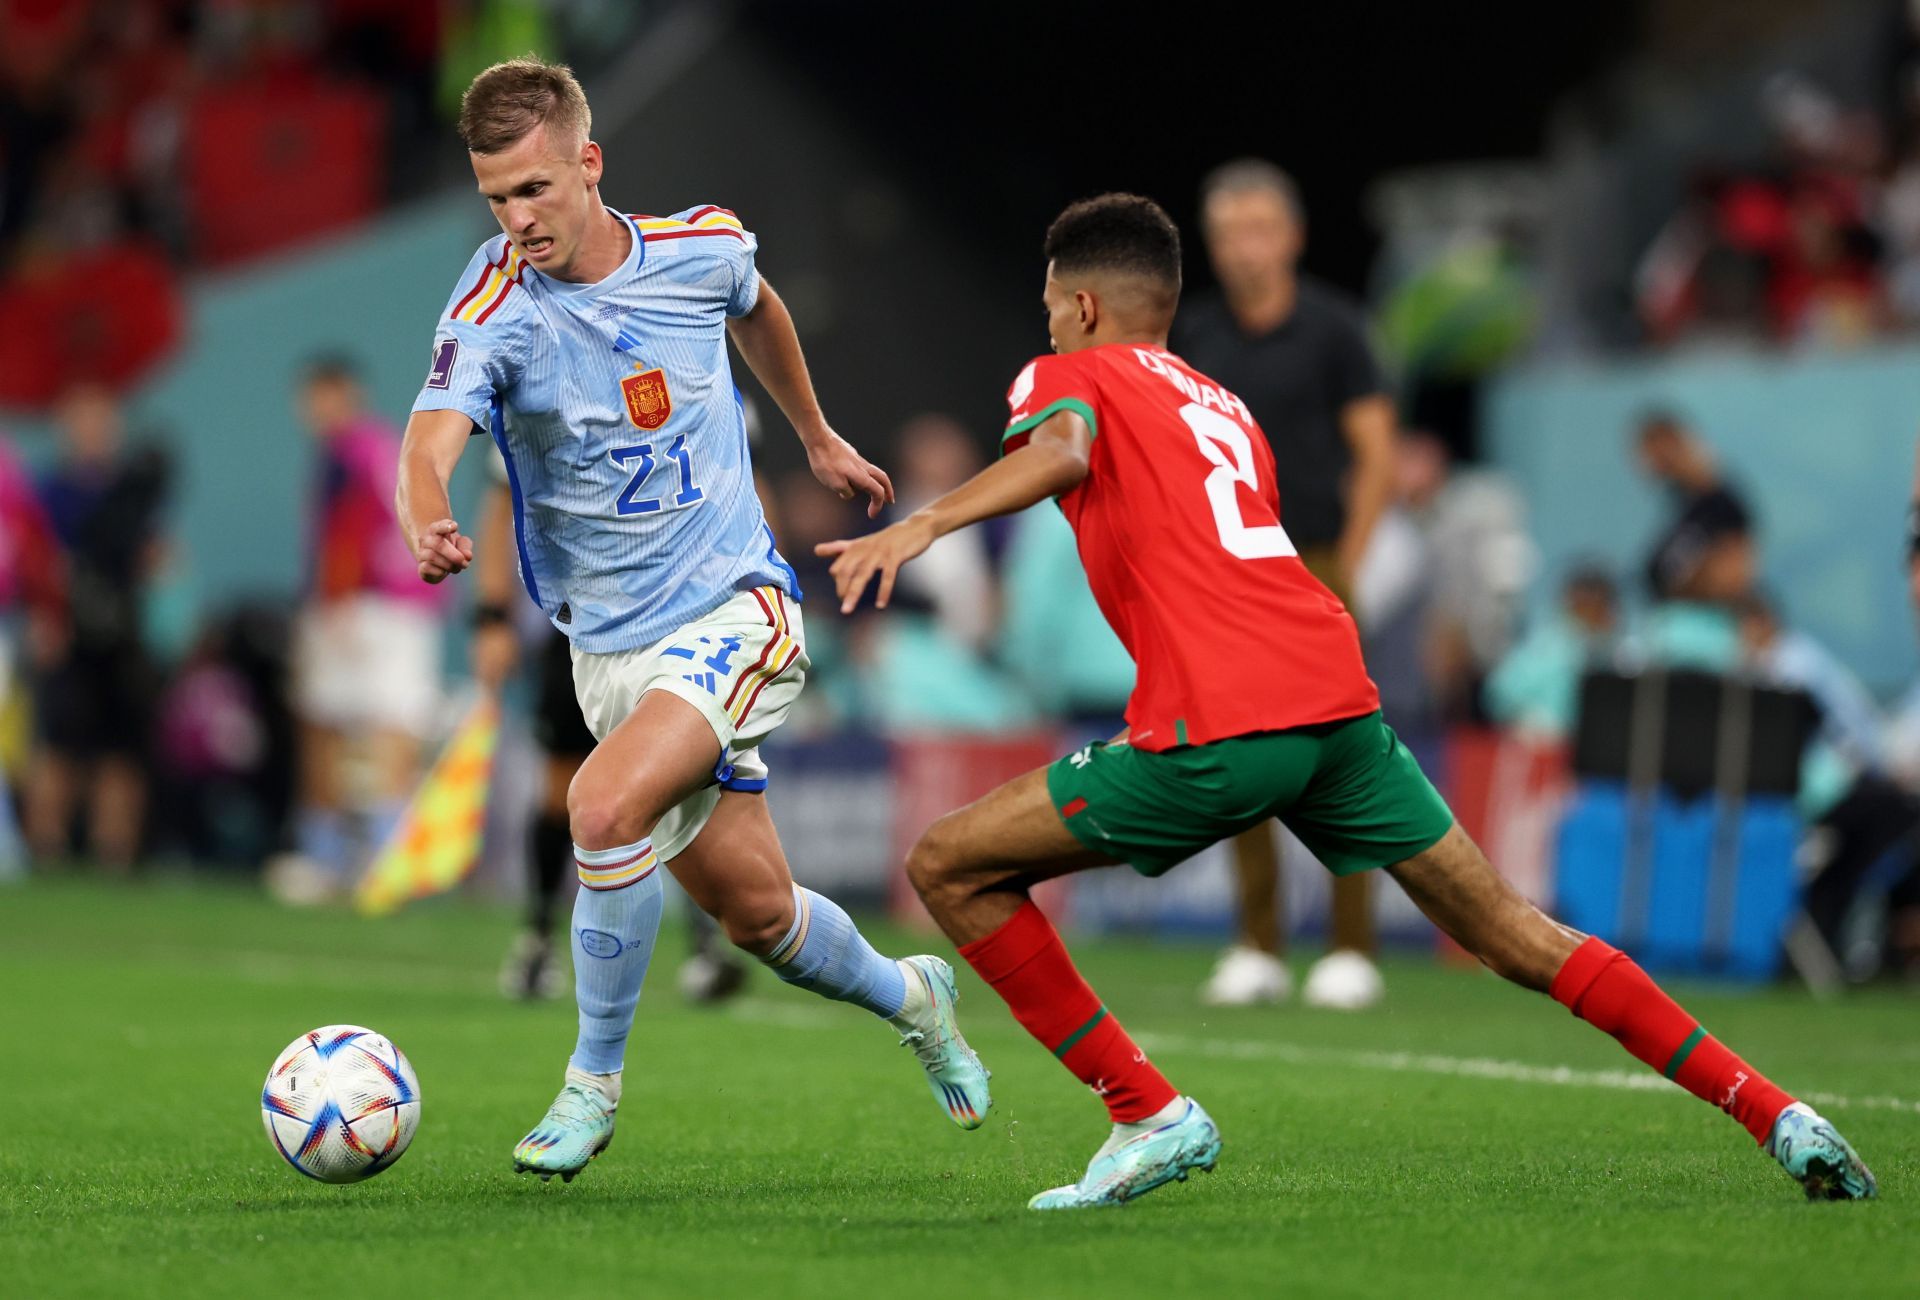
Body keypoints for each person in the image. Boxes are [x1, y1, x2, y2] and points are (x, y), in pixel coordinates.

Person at [819, 193, 1876, 1210]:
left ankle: (1143, 1108)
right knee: (1516, 933)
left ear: (1083, 307)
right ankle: (1776, 1111)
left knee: (947, 863)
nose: (1046, 320)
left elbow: (1061, 453)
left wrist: (921, 526)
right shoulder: (1220, 404)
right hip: (1338, 705)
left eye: (1051, 302)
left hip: (1224, 724)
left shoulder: (1067, 374)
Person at [394, 57, 988, 1181]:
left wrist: (813, 434)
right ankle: (915, 996)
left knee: (600, 804)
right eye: (497, 198)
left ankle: (590, 1085)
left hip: (737, 606)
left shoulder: (700, 246)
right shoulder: (493, 308)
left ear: (588, 162)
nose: (518, 219)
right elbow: (427, 444)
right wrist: (426, 516)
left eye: (535, 189)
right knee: (762, 919)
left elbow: (758, 311)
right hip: (606, 648)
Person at [1173, 159, 1398, 1009]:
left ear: (1293, 237)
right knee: (1236, 751)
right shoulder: (1196, 336)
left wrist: (1352, 556)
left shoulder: (1336, 330)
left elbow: (1376, 453)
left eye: (1259, 228)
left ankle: (1352, 946)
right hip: (1224, 571)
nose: (1245, 247)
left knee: (1343, 753)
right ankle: (1258, 944)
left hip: (1315, 558)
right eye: (1229, 232)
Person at [471, 458, 748, 1004]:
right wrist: (492, 616)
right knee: (560, 790)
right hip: (584, 624)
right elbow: (502, 503)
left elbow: (749, 495)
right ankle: (538, 939)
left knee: (686, 785)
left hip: (684, 618)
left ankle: (704, 947)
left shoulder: (715, 389)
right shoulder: (543, 385)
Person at [272, 355, 447, 904]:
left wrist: (336, 603)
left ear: (347, 394)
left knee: (346, 725)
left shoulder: (348, 452)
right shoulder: (385, 445)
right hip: (407, 602)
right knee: (385, 725)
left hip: (367, 602)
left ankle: (345, 855)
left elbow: (347, 532)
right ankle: (378, 854)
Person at [25, 383, 169, 871]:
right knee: (58, 742)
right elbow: (36, 560)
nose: (92, 432)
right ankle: (45, 846)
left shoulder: (132, 489)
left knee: (121, 746)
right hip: (69, 629)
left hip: (122, 633)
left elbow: (156, 558)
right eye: (82, 421)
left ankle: (114, 849)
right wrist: (47, 618)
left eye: (101, 421)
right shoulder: (50, 491)